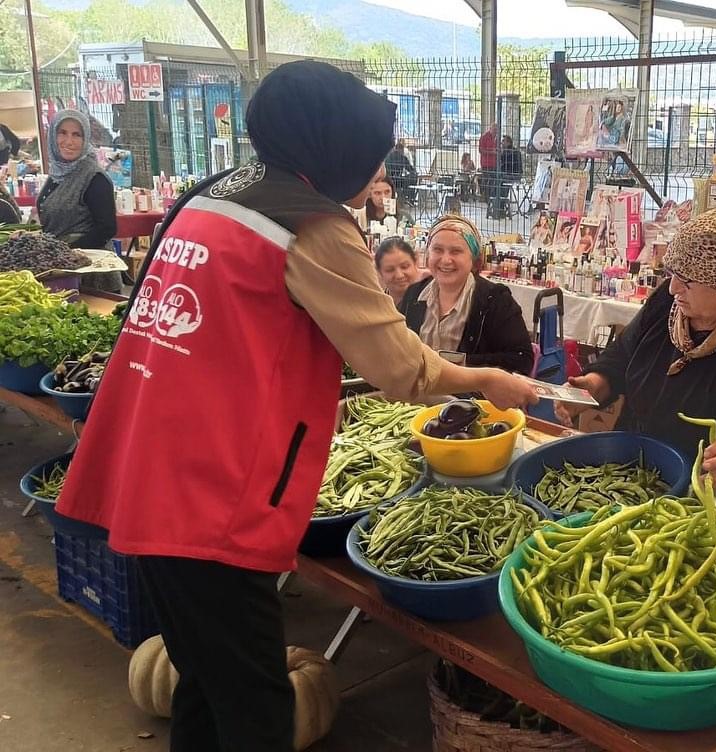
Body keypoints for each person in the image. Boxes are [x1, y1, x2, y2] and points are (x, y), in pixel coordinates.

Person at [55, 61, 538, 752]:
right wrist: (484, 379)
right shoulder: (311, 225)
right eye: (371, 154)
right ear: (335, 147)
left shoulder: (213, 195)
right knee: (255, 705)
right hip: (209, 488)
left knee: (204, 679)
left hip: (144, 457)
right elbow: (398, 368)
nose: (378, 169)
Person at [556, 204, 716, 502]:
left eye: (688, 279)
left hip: (701, 495)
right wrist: (592, 386)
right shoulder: (669, 307)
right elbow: (623, 357)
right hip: (637, 472)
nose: (673, 288)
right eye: (673, 273)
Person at [399, 214, 534, 374]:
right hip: (417, 395)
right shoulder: (414, 294)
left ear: (474, 260)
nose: (445, 260)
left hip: (470, 397)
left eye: (456, 251)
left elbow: (522, 360)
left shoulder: (495, 300)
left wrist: (458, 364)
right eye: (437, 250)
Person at [36, 109, 120, 291]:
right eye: (63, 133)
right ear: (52, 136)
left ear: (85, 139)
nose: (69, 142)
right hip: (61, 270)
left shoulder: (94, 177)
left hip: (90, 276)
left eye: (77, 135)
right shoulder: (58, 174)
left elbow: (106, 228)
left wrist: (65, 252)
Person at [375, 236, 423, 307]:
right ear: (379, 272)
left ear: (415, 262)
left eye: (405, 267)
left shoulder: (428, 304)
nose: (399, 275)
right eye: (390, 270)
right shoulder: (374, 306)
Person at [493, 135, 523, 218]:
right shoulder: (512, 151)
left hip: (512, 175)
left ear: (508, 143)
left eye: (503, 141)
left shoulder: (509, 152)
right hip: (513, 174)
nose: (502, 143)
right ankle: (498, 205)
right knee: (498, 181)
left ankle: (500, 206)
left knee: (500, 182)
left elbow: (505, 165)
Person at [384, 139, 417, 203]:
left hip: (388, 180)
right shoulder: (402, 157)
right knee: (411, 178)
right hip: (398, 180)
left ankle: (404, 197)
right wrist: (414, 172)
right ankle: (410, 198)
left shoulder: (388, 157)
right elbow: (410, 169)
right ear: (402, 150)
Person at [478, 122, 498, 204]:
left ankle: (492, 197)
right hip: (486, 163)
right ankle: (486, 198)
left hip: (494, 163)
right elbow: (481, 150)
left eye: (497, 130)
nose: (495, 131)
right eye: (494, 129)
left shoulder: (497, 138)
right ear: (490, 129)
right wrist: (491, 152)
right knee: (486, 181)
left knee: (494, 181)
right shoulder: (484, 137)